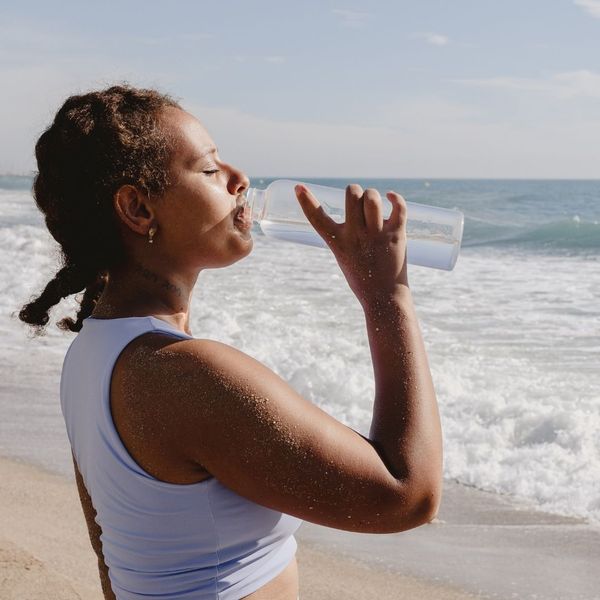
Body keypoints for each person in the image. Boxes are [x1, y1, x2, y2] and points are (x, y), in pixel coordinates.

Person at [18, 84, 443, 600]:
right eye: (209, 169)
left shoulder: (90, 355)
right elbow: (408, 494)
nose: (240, 180)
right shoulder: (185, 374)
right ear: (138, 208)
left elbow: (110, 556)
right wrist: (385, 294)